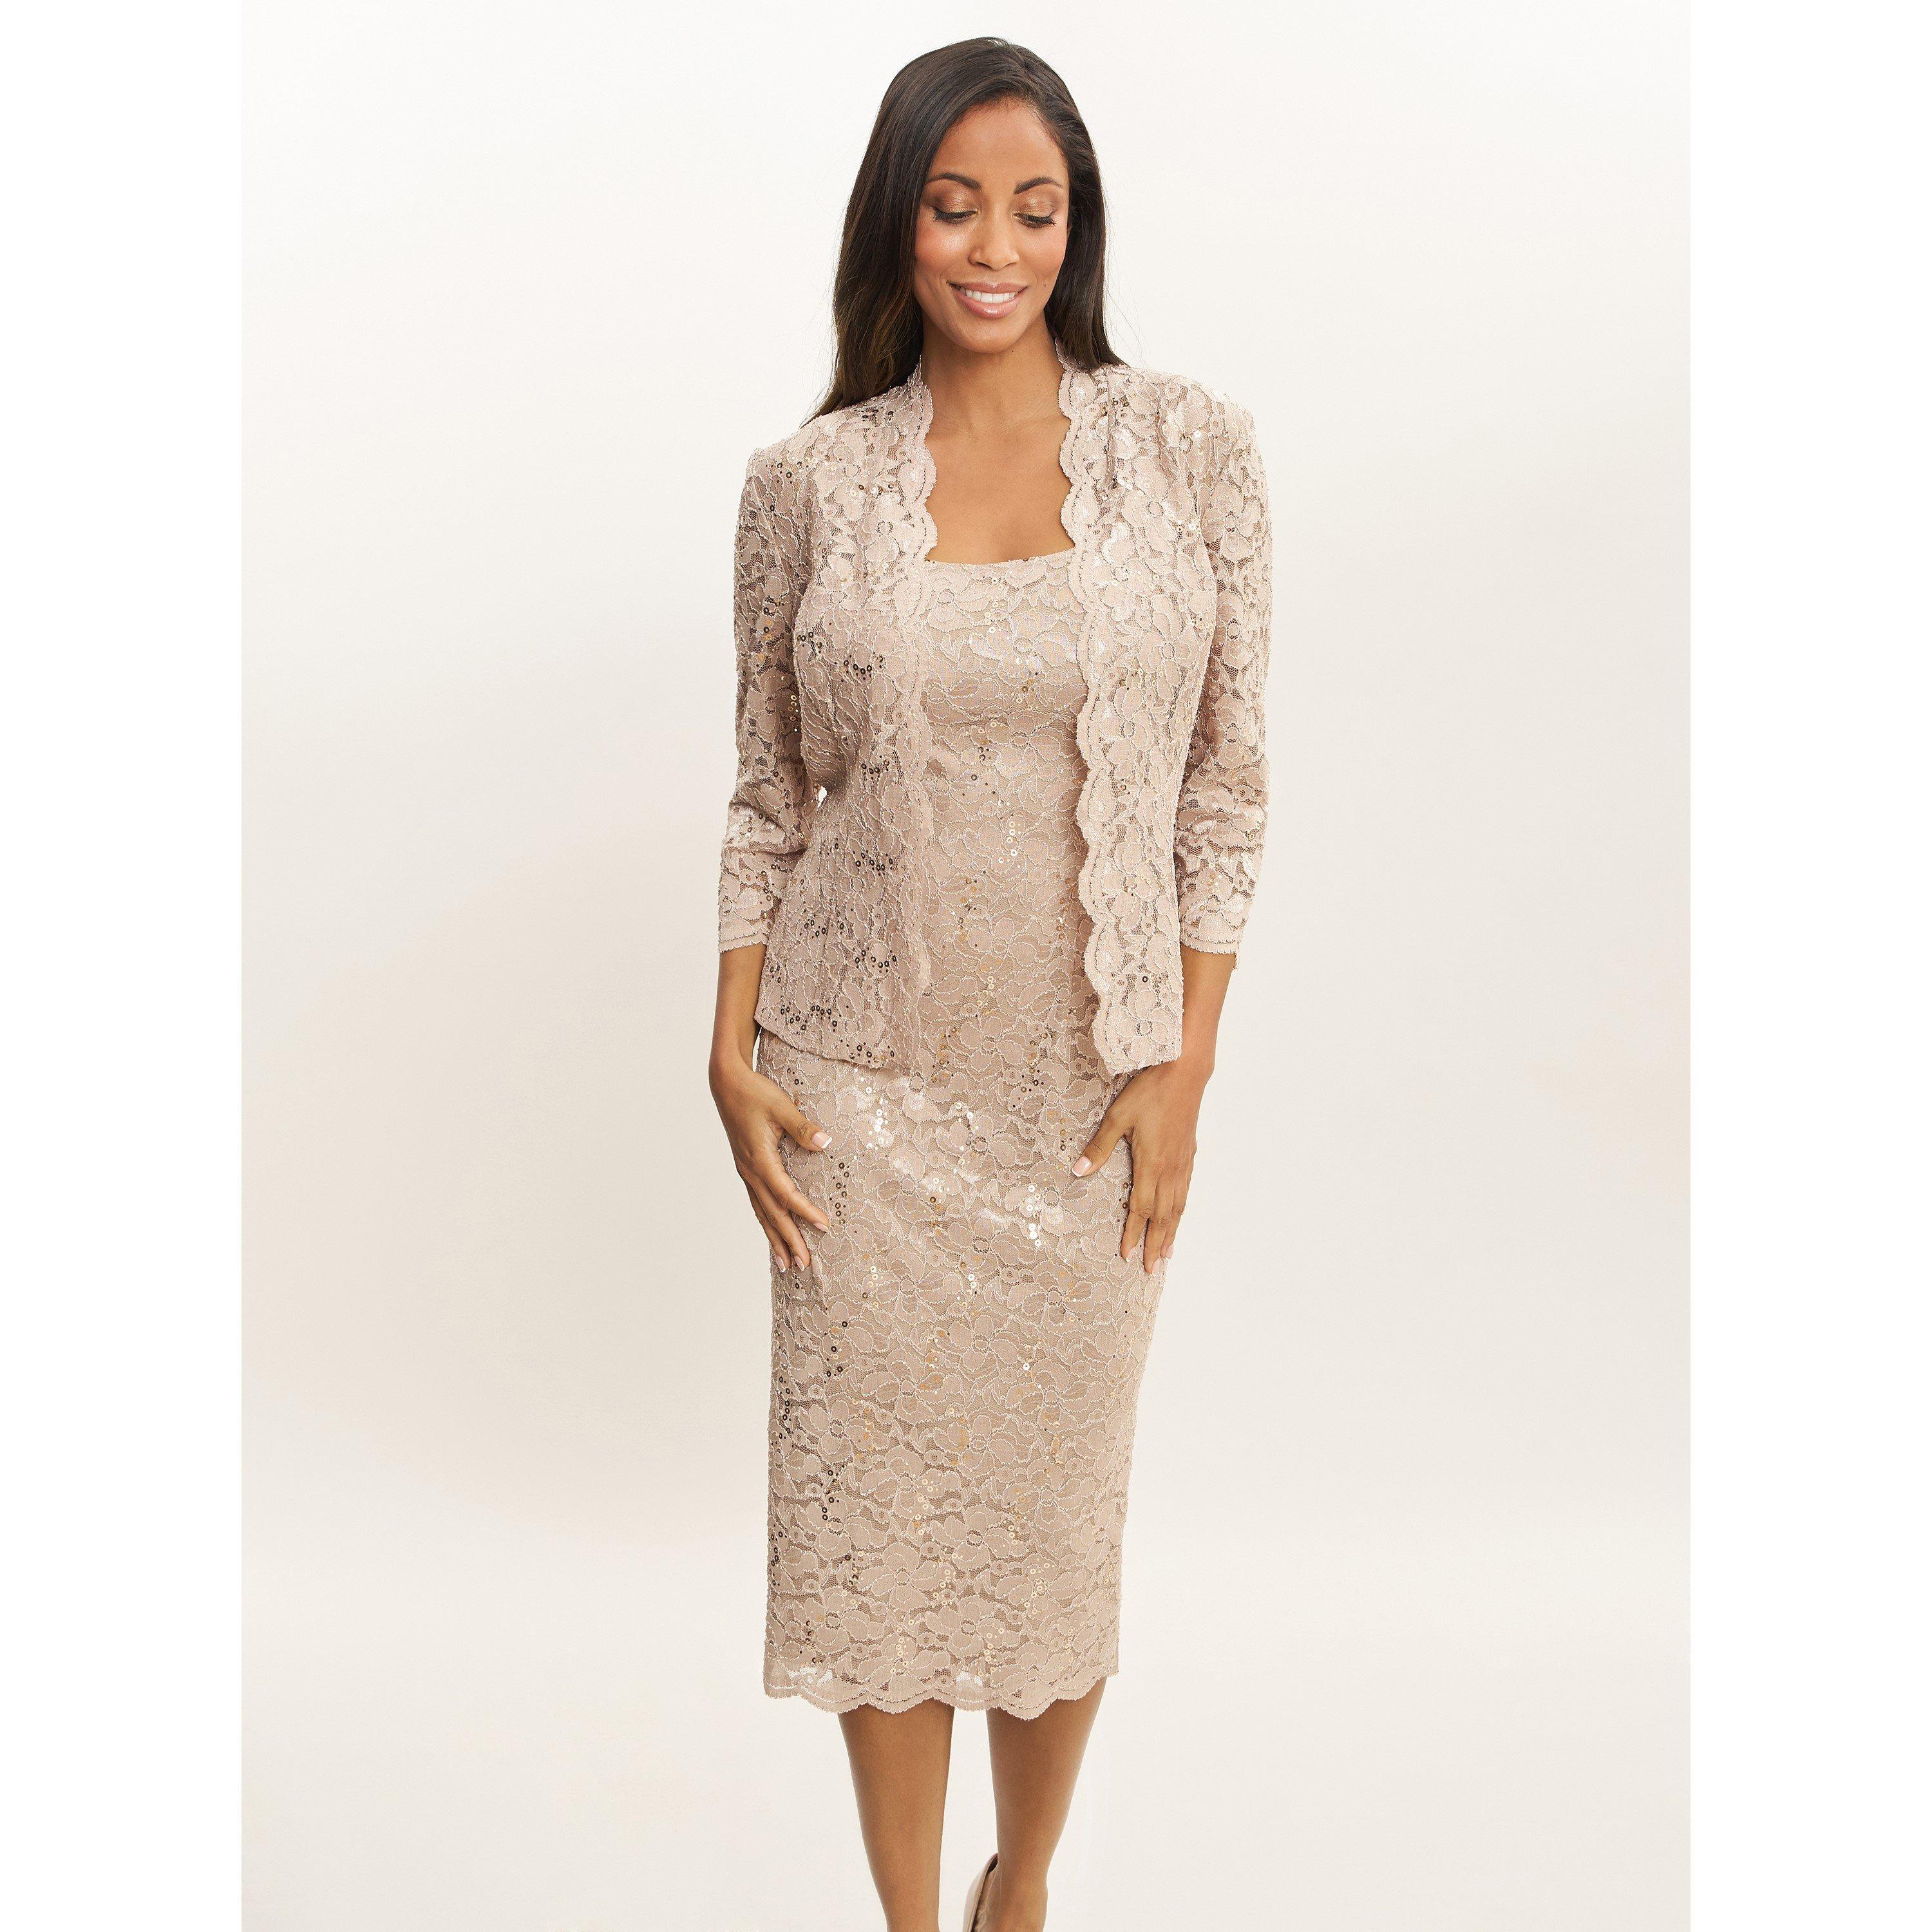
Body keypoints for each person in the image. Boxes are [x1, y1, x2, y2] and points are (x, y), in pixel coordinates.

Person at [708, 37, 1272, 1932]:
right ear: (899, 222)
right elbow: (769, 790)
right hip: (855, 1091)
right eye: (955, 207)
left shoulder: (1187, 448)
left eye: (1034, 209)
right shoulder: (806, 484)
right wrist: (727, 1042)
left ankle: (1019, 1891)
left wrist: (1184, 1064)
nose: (995, 248)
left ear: (1076, 227)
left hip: (1089, 1089)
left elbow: (1225, 788)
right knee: (878, 1541)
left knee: (1047, 1522)